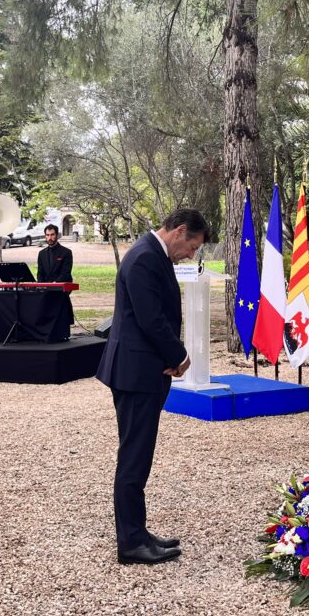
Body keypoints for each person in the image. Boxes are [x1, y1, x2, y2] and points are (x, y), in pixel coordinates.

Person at [95, 208, 209, 566]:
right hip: (136, 371)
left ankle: (138, 531)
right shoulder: (144, 257)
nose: (191, 254)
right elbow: (150, 318)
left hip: (144, 369)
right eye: (192, 246)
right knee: (134, 456)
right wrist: (180, 356)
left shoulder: (150, 254)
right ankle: (130, 541)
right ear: (178, 231)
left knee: (139, 454)